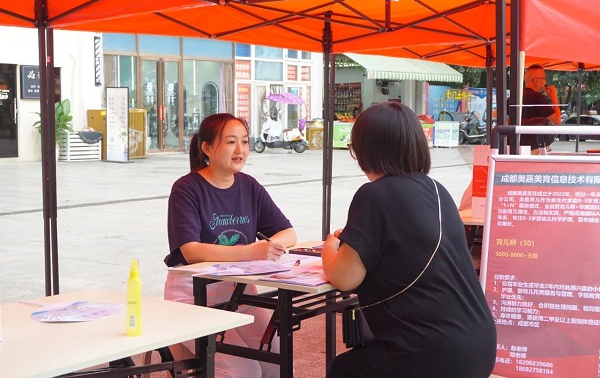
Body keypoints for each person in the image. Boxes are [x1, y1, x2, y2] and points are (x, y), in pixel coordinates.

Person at [322, 102, 496, 378]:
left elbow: (344, 277)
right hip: (480, 346)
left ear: (366, 150)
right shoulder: (438, 191)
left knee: (344, 370)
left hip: (430, 353)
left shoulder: (374, 195)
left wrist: (330, 246)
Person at [163, 113, 297, 378]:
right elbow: (191, 250)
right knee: (244, 371)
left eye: (245, 142)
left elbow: (289, 232)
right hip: (193, 296)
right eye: (231, 142)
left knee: (279, 363)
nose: (240, 150)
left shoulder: (249, 186)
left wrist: (272, 247)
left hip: (241, 293)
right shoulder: (186, 189)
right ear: (207, 148)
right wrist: (250, 251)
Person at [518, 64, 562, 154]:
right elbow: (557, 120)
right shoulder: (538, 98)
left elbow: (495, 113)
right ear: (536, 81)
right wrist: (554, 97)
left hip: (516, 145)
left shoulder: (515, 96)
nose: (545, 83)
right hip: (535, 146)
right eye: (544, 79)